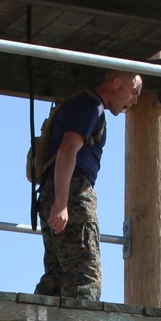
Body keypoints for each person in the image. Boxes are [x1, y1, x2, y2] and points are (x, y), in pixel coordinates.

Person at [32, 72, 142, 301]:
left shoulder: (77, 103)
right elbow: (68, 149)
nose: (135, 100)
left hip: (52, 191)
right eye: (133, 91)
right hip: (72, 192)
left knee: (57, 275)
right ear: (115, 83)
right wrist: (62, 203)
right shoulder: (92, 107)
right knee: (85, 277)